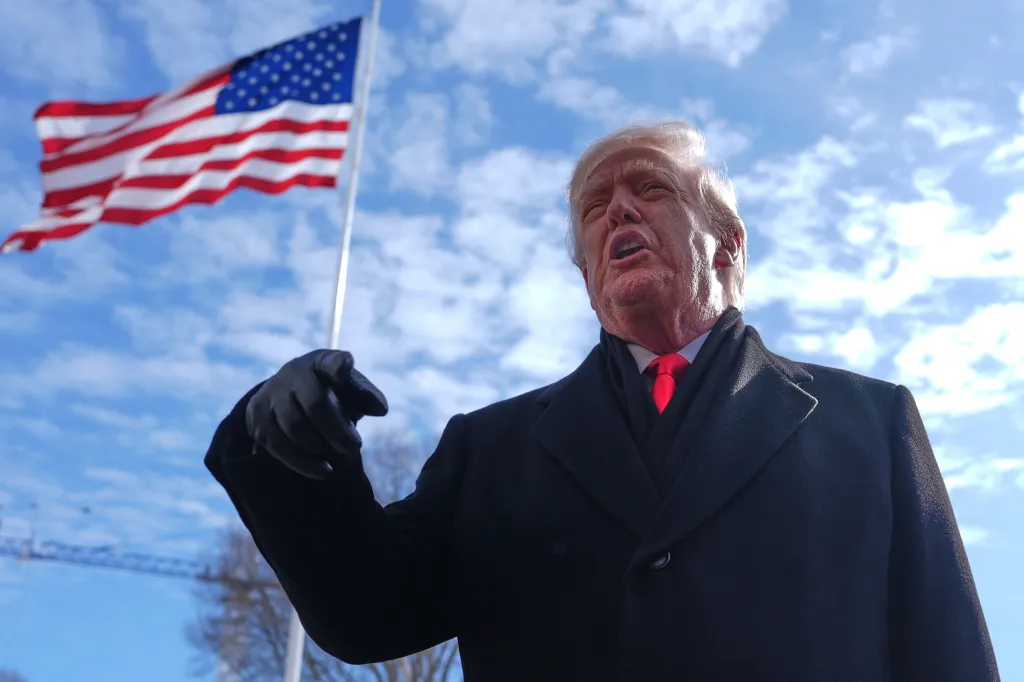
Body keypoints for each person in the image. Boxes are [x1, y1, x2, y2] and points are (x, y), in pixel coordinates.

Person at [205, 121, 999, 681]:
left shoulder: (869, 421)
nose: (617, 209)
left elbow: (949, 656)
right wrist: (293, 452)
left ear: (727, 247)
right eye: (594, 206)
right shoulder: (490, 449)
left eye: (648, 187)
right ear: (587, 275)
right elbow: (366, 616)